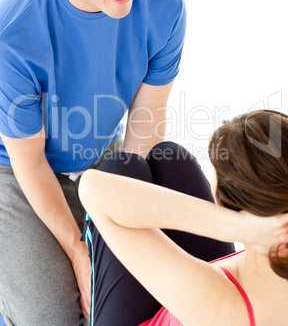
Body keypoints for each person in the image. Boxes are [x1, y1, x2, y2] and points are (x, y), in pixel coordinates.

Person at [0, 0, 186, 325]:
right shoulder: (12, 32)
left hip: (101, 154)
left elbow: (146, 117)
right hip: (13, 169)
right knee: (57, 318)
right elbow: (28, 161)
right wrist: (80, 253)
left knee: (141, 292)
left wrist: (120, 217)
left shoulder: (166, 6)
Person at [79, 109, 288, 326]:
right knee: (168, 155)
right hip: (203, 295)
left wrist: (240, 227)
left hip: (157, 316)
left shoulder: (221, 306)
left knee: (120, 168)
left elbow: (94, 189)